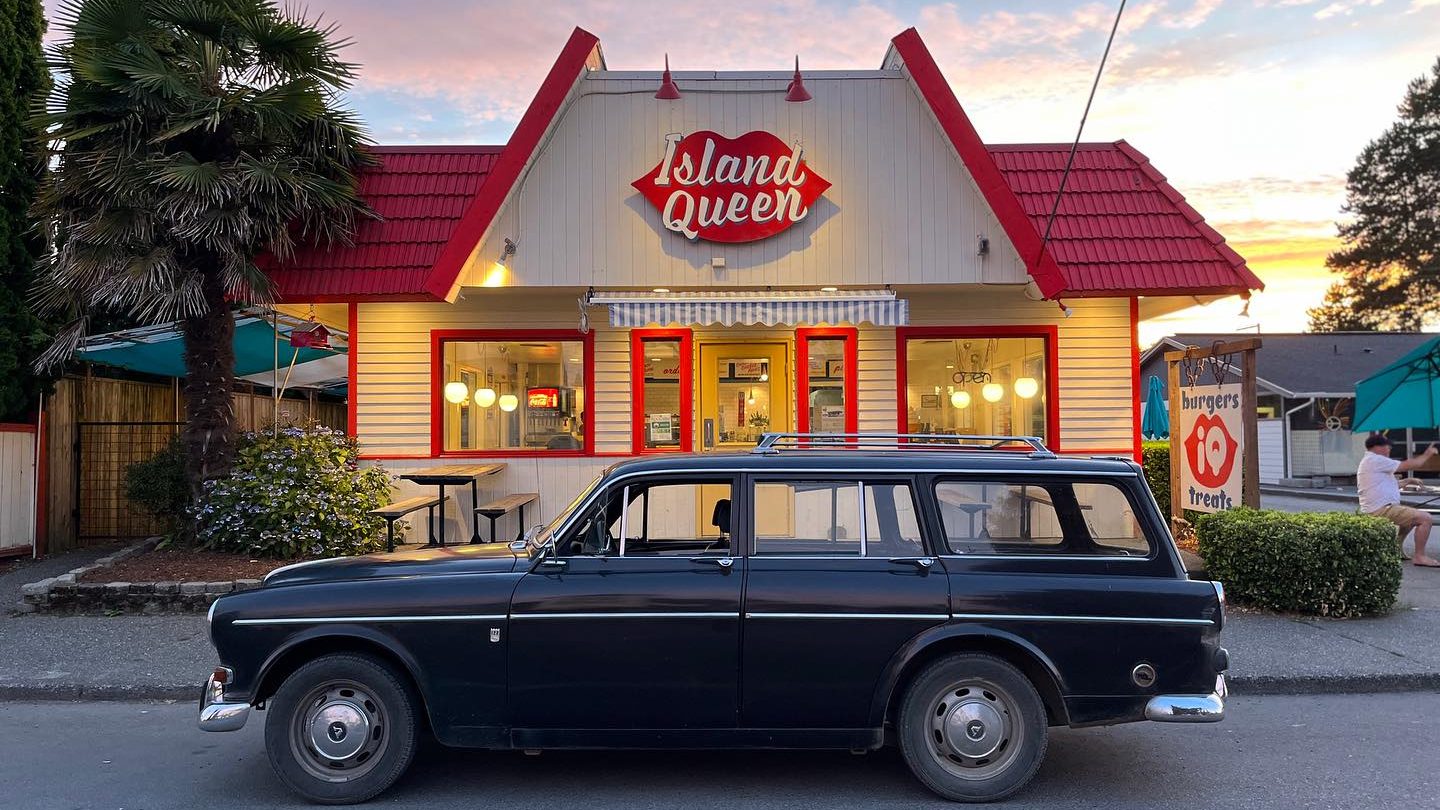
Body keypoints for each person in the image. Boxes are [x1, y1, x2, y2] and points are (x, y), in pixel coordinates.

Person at [1357, 434, 1439, 567]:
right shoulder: (1376, 460)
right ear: (1377, 447)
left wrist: (1408, 480)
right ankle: (1420, 556)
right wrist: (1428, 454)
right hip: (1381, 509)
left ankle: (1395, 549)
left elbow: (1387, 484)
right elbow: (1411, 464)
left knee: (1409, 519)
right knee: (1425, 518)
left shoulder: (1371, 461)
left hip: (1379, 507)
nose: (1389, 449)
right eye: (1387, 447)